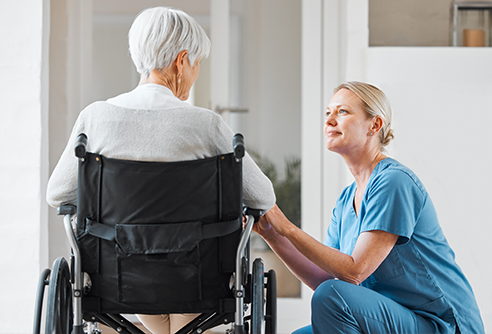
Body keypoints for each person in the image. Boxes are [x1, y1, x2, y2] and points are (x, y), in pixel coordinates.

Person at [46, 6, 275, 334]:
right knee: (181, 304)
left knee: (156, 304)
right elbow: (263, 196)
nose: (195, 73)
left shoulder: (95, 118)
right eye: (196, 64)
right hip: (195, 281)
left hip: (118, 280)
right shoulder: (207, 125)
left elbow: (58, 193)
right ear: (182, 61)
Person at [253, 81, 484, 334]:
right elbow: (326, 278)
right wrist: (271, 234)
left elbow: (354, 272)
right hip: (395, 319)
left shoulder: (393, 182)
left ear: (374, 125)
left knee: (332, 296)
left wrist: (287, 227)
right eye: (328, 113)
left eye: (342, 112)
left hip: (441, 325)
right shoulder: (346, 200)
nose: (330, 121)